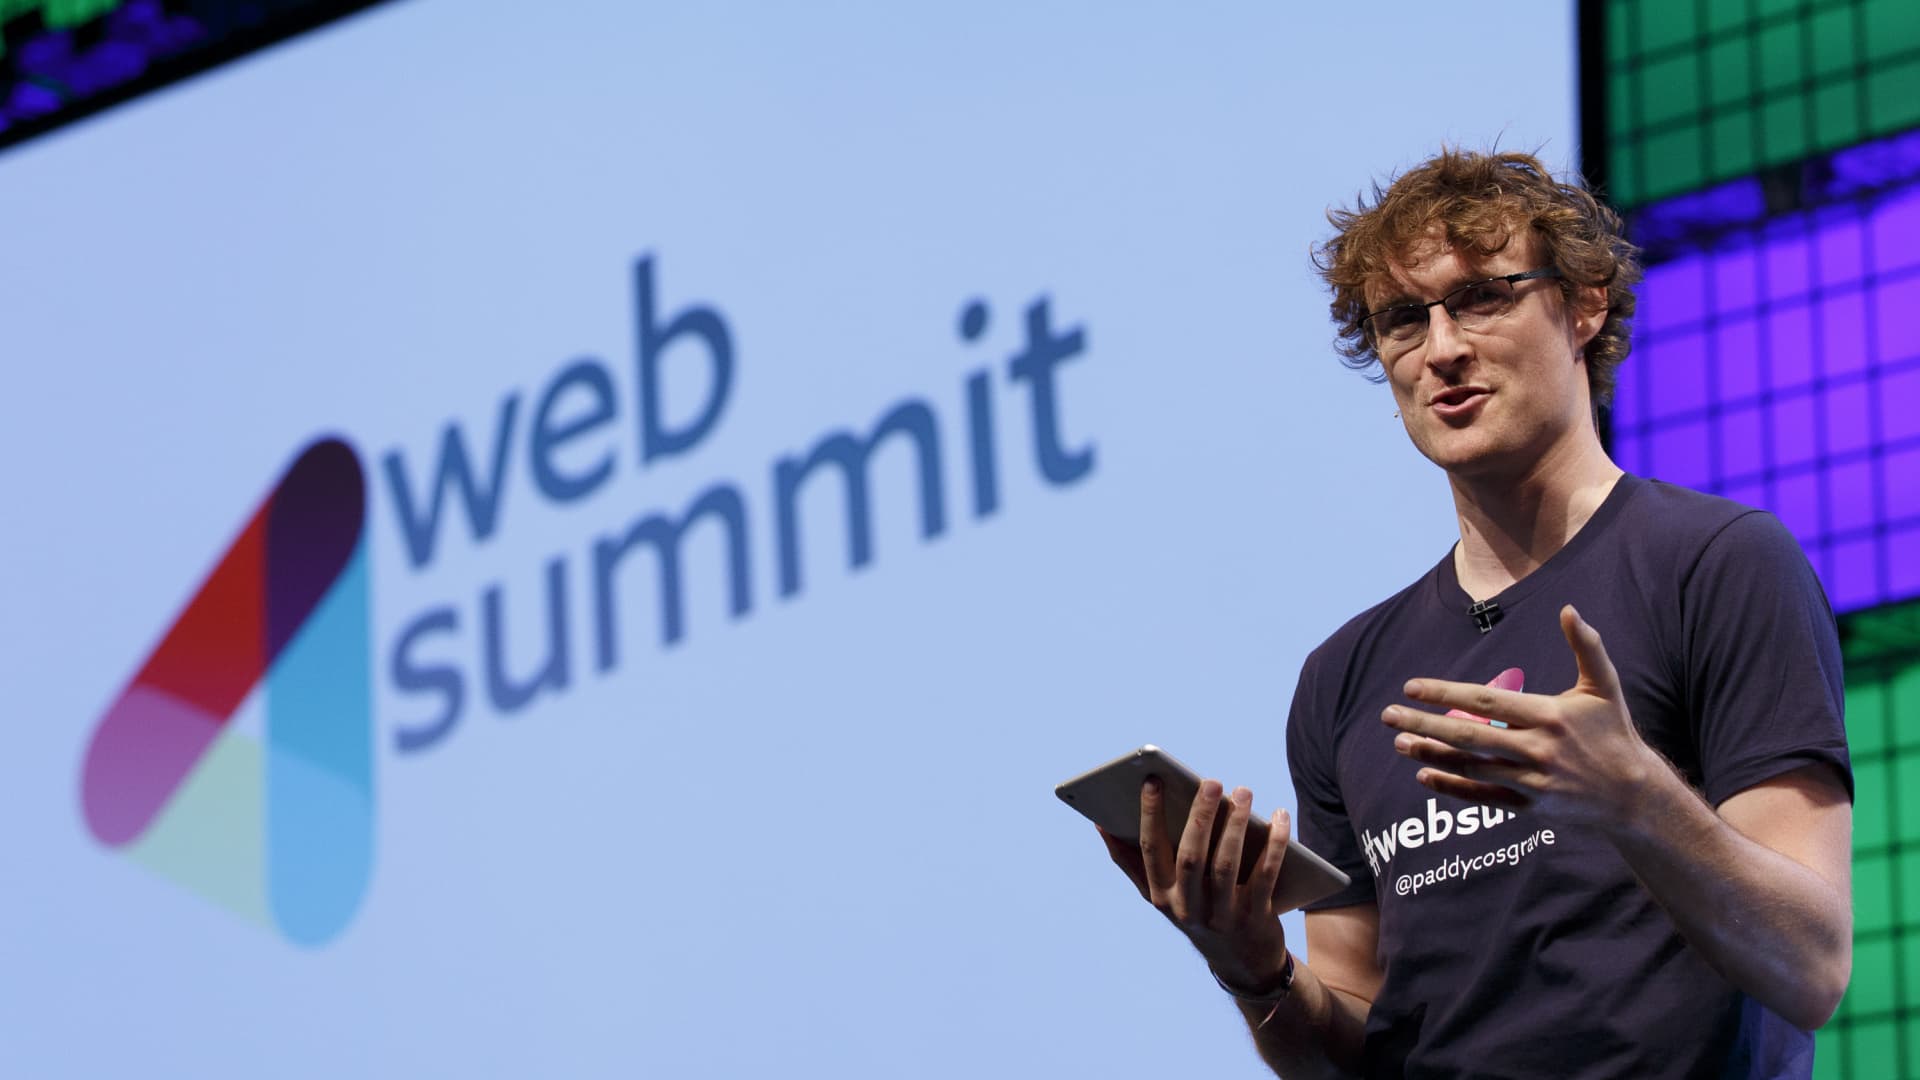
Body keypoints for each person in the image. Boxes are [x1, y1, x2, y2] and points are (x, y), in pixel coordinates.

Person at [1099, 148, 1854, 1078]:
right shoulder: (1341, 678)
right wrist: (1253, 971)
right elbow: (1356, 1047)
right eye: (1403, 319)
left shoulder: (1718, 562)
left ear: (1586, 305)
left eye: (1483, 298)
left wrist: (1634, 795)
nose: (1442, 348)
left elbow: (1813, 966)